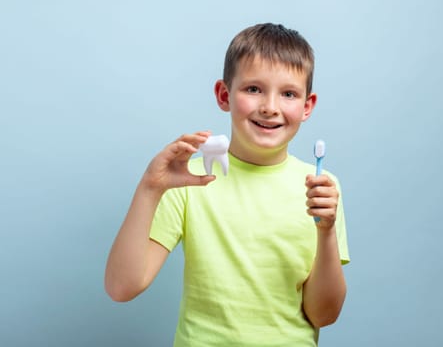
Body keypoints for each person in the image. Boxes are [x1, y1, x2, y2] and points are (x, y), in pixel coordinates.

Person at [105, 22, 350, 346]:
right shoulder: (189, 181)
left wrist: (326, 230)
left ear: (307, 106)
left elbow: (324, 315)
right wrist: (151, 187)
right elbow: (122, 287)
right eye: (253, 89)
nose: (270, 107)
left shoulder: (321, 188)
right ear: (224, 95)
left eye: (288, 93)